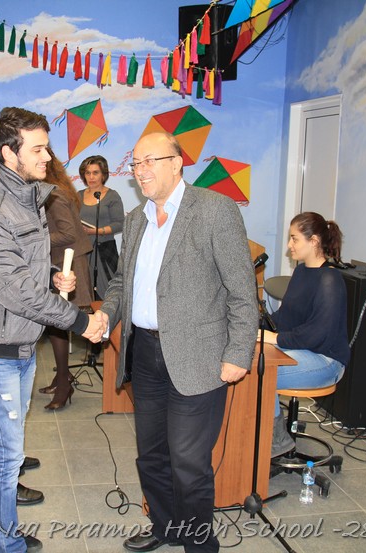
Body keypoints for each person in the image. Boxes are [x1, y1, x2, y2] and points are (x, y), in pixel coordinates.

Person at [0, 106, 106, 553]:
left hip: (17, 340)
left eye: (47, 147)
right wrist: (82, 322)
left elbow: (19, 273)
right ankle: (7, 541)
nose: (47, 156)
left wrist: (52, 279)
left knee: (3, 448)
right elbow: (17, 292)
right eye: (38, 149)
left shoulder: (25, 198)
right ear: (9, 153)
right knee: (7, 452)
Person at [96, 132, 258, 553]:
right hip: (145, 353)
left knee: (188, 462)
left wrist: (238, 353)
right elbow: (121, 283)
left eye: (150, 160)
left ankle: (199, 545)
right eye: (136, 164)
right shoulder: (136, 219)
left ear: (176, 162)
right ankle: (165, 527)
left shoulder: (214, 210)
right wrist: (106, 315)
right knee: (150, 454)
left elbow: (243, 291)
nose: (141, 170)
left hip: (198, 356)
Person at [264, 212, 350, 458]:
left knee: (262, 374)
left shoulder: (330, 280)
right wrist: (258, 327)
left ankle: (277, 442)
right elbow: (285, 318)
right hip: (301, 350)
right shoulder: (301, 272)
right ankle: (260, 437)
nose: (289, 245)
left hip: (326, 361)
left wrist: (275, 339)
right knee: (253, 361)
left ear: (314, 241)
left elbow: (316, 334)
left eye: (294, 239)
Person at [38, 149, 93, 410]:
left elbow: (68, 233)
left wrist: (33, 240)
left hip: (66, 263)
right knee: (56, 324)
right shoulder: (55, 189)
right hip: (60, 263)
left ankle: (63, 383)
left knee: (57, 324)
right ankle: (62, 377)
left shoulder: (54, 194)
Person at [78, 155, 124, 299]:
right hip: (83, 251)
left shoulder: (112, 196)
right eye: (87, 173)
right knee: (84, 294)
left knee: (108, 294)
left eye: (95, 173)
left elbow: (120, 224)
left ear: (103, 174)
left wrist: (96, 231)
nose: (91, 177)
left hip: (104, 251)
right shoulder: (78, 195)